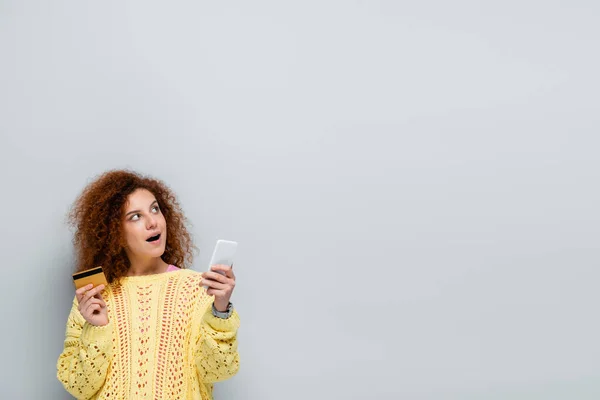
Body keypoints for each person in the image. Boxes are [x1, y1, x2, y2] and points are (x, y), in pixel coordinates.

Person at [56, 170, 240, 399]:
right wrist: (96, 329)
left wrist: (220, 311)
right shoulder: (94, 296)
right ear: (114, 231)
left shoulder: (198, 288)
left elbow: (219, 371)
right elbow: (79, 387)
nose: (153, 222)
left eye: (155, 209)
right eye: (136, 216)